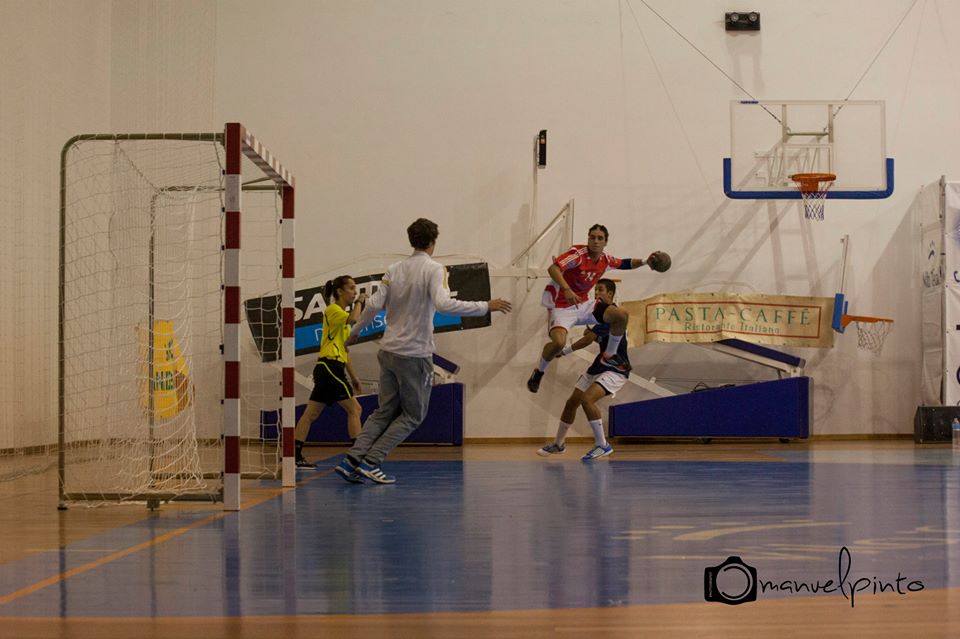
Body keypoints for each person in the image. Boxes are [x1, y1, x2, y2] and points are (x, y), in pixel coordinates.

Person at [334, 218, 512, 484]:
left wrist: (355, 331)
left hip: (388, 351)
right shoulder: (434, 269)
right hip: (414, 354)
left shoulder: (394, 269)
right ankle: (371, 461)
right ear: (433, 241)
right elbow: (444, 305)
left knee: (384, 411)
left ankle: (351, 461)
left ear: (411, 240)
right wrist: (486, 305)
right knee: (413, 415)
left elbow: (372, 305)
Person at [526, 224, 660, 393]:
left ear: (605, 242)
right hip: (561, 307)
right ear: (588, 239)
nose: (595, 241)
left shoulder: (605, 260)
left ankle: (609, 355)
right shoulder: (578, 254)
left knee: (621, 315)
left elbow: (625, 263)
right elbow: (553, 268)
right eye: (592, 237)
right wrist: (566, 289)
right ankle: (539, 372)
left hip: (583, 305)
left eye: (600, 238)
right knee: (558, 343)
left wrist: (646, 261)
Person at [537, 278, 629, 461]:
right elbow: (594, 336)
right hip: (598, 366)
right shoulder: (599, 316)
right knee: (572, 403)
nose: (597, 293)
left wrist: (564, 351)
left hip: (615, 369)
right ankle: (558, 444)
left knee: (587, 400)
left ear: (610, 294)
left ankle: (602, 445)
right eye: (595, 290)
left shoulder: (613, 314)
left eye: (601, 290)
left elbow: (588, 339)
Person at [293, 275, 368, 469]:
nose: (355, 292)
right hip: (329, 367)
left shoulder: (341, 319)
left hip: (331, 367)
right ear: (340, 292)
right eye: (351, 288)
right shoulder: (333, 310)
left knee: (310, 414)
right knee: (355, 409)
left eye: (356, 289)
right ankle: (356, 458)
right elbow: (354, 318)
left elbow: (345, 349)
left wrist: (354, 377)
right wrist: (360, 301)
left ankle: (293, 456)